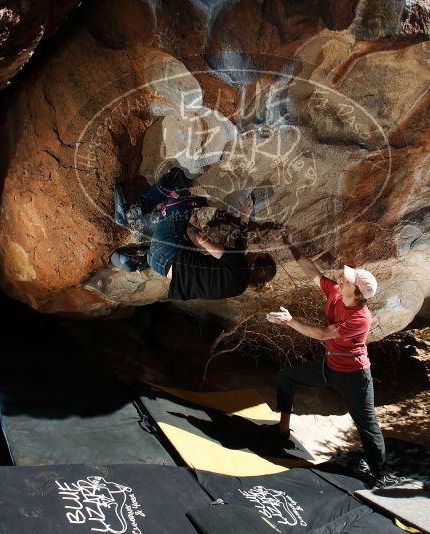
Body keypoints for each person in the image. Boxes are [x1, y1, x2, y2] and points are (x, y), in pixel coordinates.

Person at [266, 227, 403, 488]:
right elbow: (312, 272)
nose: (343, 278)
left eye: (348, 280)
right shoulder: (336, 293)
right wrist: (290, 242)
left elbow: (322, 334)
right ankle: (282, 431)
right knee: (286, 377)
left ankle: (381, 473)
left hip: (354, 376)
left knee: (367, 423)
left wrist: (289, 321)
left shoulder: (360, 318)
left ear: (358, 293)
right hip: (330, 366)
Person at [112, 167, 276, 300]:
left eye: (257, 253)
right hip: (160, 267)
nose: (252, 251)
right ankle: (139, 259)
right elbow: (237, 255)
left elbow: (200, 239)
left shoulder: (239, 262)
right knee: (187, 247)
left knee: (177, 183)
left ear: (255, 260)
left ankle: (129, 214)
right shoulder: (239, 287)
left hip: (166, 252)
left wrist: (182, 222)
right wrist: (243, 221)